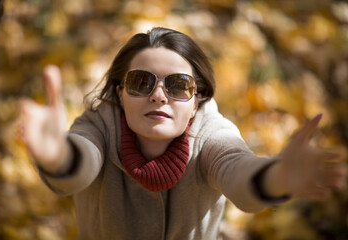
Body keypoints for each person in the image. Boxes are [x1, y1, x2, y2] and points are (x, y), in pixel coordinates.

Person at [19, 27, 347, 240]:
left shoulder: (212, 134)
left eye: (178, 85)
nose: (159, 95)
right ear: (120, 94)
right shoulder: (98, 125)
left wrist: (276, 175)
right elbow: (80, 162)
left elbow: (236, 169)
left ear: (197, 100)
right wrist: (58, 155)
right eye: (140, 83)